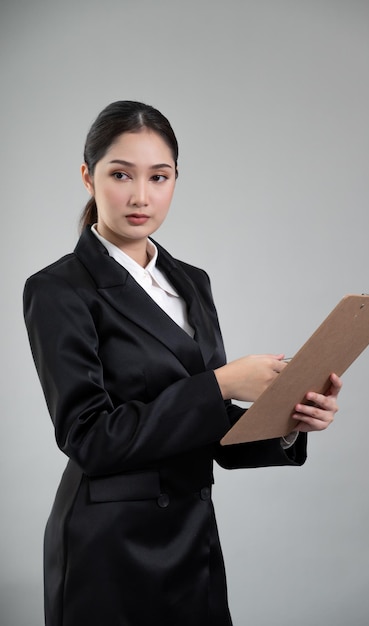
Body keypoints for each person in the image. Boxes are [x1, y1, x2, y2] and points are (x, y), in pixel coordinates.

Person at [23, 100, 342, 626]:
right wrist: (219, 384)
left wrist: (290, 420)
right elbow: (89, 439)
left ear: (176, 180)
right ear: (88, 177)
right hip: (108, 546)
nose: (141, 195)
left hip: (191, 539)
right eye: (120, 174)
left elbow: (204, 432)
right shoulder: (58, 290)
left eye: (160, 176)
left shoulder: (192, 281)